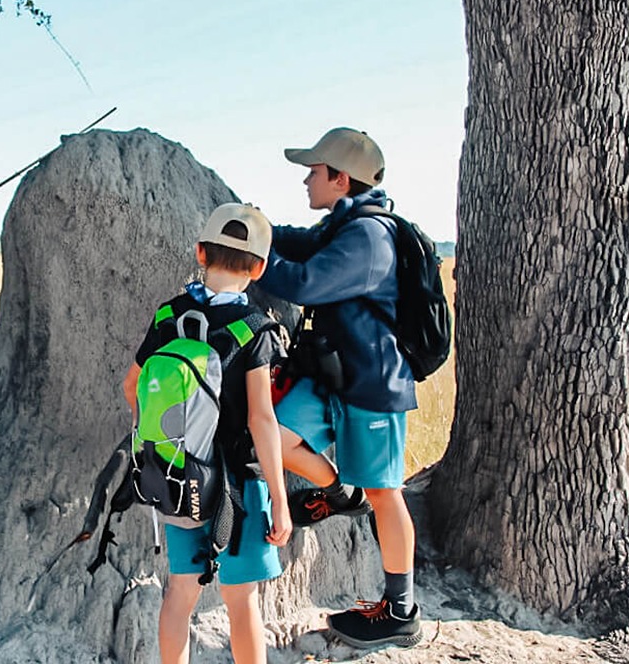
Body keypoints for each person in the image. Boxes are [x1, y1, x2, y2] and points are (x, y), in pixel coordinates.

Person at [257, 127, 421, 649]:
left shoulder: (369, 238)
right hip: (331, 376)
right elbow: (303, 243)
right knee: (272, 434)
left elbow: (304, 283)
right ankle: (338, 491)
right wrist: (259, 230)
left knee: (385, 494)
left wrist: (252, 262)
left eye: (313, 170)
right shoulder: (343, 224)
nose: (307, 179)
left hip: (371, 385)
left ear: (339, 177)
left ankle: (400, 611)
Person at [122, 203, 292, 664]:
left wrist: (170, 440)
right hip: (239, 485)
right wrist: (279, 496)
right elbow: (262, 420)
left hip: (179, 479)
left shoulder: (167, 317)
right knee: (242, 602)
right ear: (258, 268)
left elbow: (131, 386)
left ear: (200, 252)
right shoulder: (256, 329)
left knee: (180, 594)